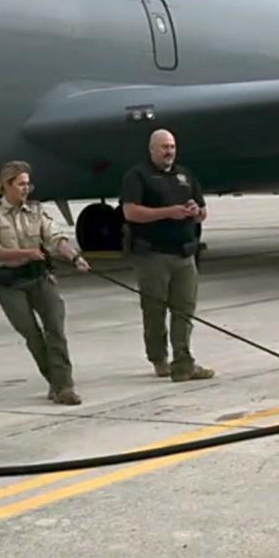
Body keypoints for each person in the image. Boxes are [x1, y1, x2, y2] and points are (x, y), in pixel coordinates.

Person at [0, 160, 90, 405]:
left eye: (28, 184)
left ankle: (64, 386)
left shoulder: (37, 211)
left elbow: (55, 237)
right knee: (32, 334)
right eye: (20, 184)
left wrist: (75, 257)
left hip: (39, 278)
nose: (26, 189)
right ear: (6, 185)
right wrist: (25, 254)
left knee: (56, 331)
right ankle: (55, 380)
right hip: (9, 283)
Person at [120, 129, 215, 381]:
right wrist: (168, 212)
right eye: (163, 147)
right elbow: (130, 212)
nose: (169, 152)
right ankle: (159, 359)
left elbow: (202, 211)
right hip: (152, 255)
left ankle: (183, 361)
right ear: (152, 149)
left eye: (172, 146)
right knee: (154, 309)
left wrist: (196, 211)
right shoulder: (138, 176)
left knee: (184, 309)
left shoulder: (185, 175)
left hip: (184, 254)